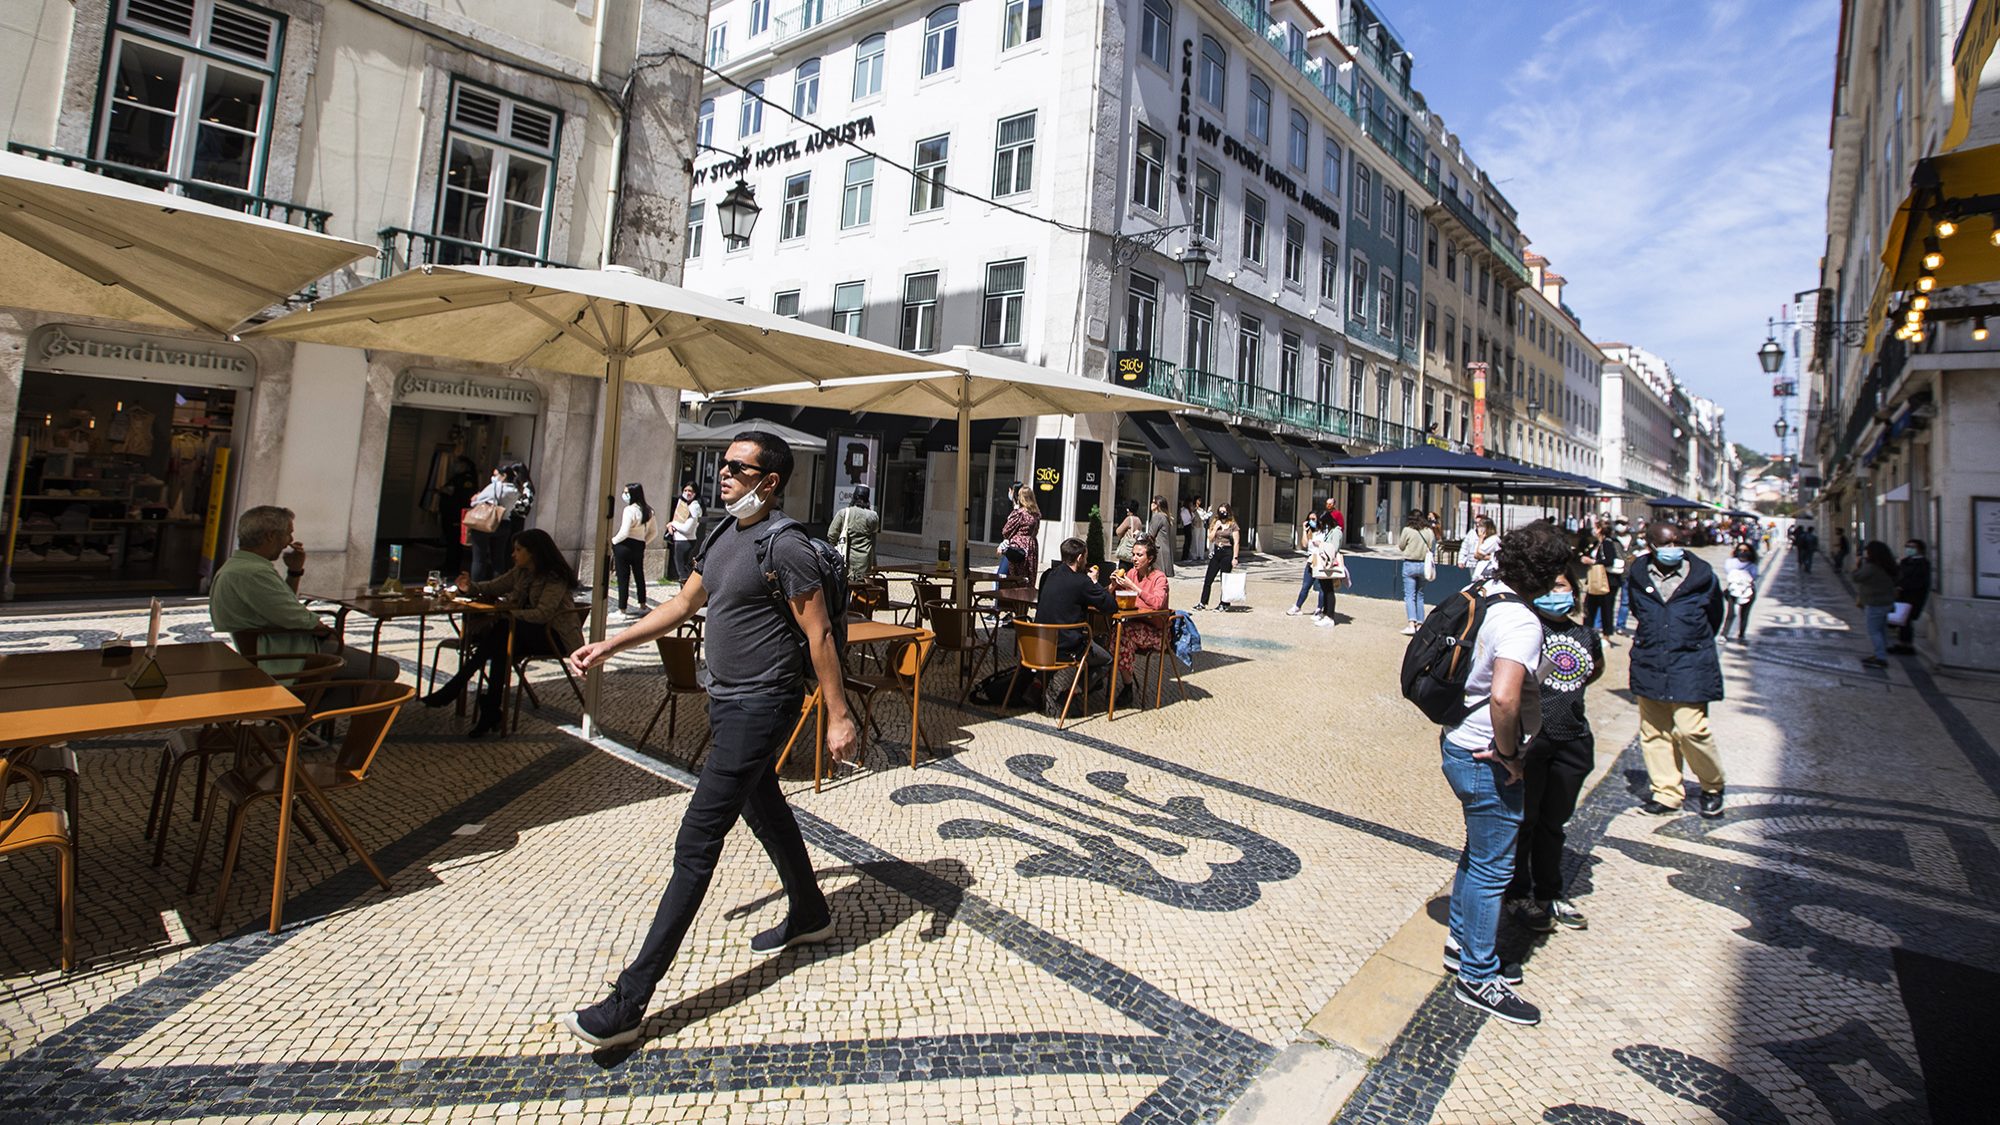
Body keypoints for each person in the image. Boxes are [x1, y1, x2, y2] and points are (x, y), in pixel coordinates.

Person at [561, 432, 853, 1049]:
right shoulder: (722, 536)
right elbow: (682, 604)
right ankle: (811, 913)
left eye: (735, 468)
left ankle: (629, 1001)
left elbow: (819, 636)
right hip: (726, 700)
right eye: (722, 464)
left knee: (696, 842)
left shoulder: (789, 547)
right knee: (763, 805)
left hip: (762, 704)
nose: (721, 474)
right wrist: (612, 644)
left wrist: (838, 714)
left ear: (768, 482)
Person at [1440, 521, 1573, 1027]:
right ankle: (1477, 973)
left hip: (1457, 741)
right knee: (1494, 866)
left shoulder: (1485, 592)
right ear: (1547, 574)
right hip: (1484, 755)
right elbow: (1504, 696)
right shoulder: (1521, 621)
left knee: (1479, 853)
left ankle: (1460, 943)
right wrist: (1511, 752)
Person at [1507, 564, 1602, 935]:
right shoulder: (1527, 629)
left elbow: (1593, 672)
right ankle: (1517, 892)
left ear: (1573, 591)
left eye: (1560, 585)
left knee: (1554, 823)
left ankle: (1550, 891)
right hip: (1533, 740)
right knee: (1524, 822)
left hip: (1572, 737)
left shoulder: (1586, 636)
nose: (1553, 592)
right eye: (1546, 586)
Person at [420, 528, 584, 737]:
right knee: (501, 644)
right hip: (523, 633)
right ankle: (489, 710)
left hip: (554, 637)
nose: (513, 554)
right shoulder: (521, 572)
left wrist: (510, 613)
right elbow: (493, 587)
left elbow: (544, 613)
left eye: (518, 550)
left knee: (502, 631)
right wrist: (468, 587)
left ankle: (458, 690)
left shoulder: (554, 576)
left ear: (533, 552)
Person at [209, 505, 399, 681]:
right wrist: (326, 631)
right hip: (287, 657)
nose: (290, 541)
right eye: (288, 534)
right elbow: (295, 616)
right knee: (388, 670)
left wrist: (294, 571)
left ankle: (315, 710)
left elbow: (282, 605)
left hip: (280, 649)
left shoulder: (241, 566)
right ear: (270, 536)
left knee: (357, 676)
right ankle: (311, 712)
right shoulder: (253, 572)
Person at [1628, 521, 1727, 818]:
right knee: (1654, 731)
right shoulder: (1638, 574)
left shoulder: (1702, 576)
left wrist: (1689, 637)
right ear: (1651, 546)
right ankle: (1667, 792)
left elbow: (1715, 614)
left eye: (1677, 543)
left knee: (1691, 729)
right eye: (1666, 544)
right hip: (1650, 659)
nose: (1673, 549)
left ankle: (1712, 785)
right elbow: (1637, 609)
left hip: (1691, 660)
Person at [1036, 535, 1123, 703]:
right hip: (1065, 647)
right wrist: (1095, 582)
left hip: (1039, 642)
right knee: (1107, 659)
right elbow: (1110, 606)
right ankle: (1073, 693)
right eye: (1086, 557)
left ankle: (1037, 684)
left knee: (1079, 639)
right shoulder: (1082, 582)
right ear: (1080, 557)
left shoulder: (1048, 575)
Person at [1111, 538, 1170, 693]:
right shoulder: (1131, 573)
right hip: (1133, 625)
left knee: (1122, 635)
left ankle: (1127, 686)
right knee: (1112, 635)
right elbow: (1118, 600)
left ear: (1149, 558)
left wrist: (1133, 587)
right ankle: (1107, 679)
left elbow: (1157, 603)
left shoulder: (1159, 578)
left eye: (1139, 555)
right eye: (1133, 554)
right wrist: (1113, 585)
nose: (1134, 558)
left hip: (1157, 632)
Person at [465, 463, 522, 581]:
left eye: (497, 474)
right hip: (504, 523)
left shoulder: (495, 487)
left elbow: (474, 502)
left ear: (504, 475)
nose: (494, 477)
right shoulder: (515, 490)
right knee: (498, 559)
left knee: (479, 558)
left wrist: (476, 497)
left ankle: (476, 586)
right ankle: (496, 587)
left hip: (486, 523)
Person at [611, 483, 655, 620]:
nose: (624, 495)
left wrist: (613, 541)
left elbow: (624, 532)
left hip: (624, 546)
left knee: (623, 578)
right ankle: (643, 605)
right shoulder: (648, 510)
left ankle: (622, 609)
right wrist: (643, 542)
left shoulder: (629, 510)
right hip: (639, 545)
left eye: (626, 492)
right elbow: (654, 532)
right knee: (639, 576)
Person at [1854, 540, 1898, 668]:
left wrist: (1858, 565)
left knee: (1873, 631)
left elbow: (1857, 577)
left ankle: (1880, 658)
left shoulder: (1872, 567)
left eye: (1867, 550)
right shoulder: (1888, 565)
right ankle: (1881, 652)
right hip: (1887, 602)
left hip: (1875, 603)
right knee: (1882, 629)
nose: (1865, 553)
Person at [827, 485, 881, 583]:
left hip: (846, 559)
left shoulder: (843, 513)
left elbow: (831, 534)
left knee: (845, 587)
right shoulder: (873, 516)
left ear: (854, 497)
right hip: (865, 561)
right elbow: (874, 536)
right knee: (862, 590)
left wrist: (836, 547)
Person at [1397, 509, 1438, 635]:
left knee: (1410, 596)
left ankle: (1411, 624)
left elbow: (1401, 546)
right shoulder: (1429, 531)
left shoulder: (1407, 530)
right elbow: (1432, 547)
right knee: (1420, 596)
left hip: (1410, 563)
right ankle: (1420, 624)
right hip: (1423, 565)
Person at [438, 455, 479, 578]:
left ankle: (453, 566)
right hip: (449, 513)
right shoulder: (457, 478)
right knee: (450, 539)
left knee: (454, 540)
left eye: (458, 464)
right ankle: (448, 564)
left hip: (456, 514)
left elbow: (461, 494)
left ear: (464, 466)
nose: (455, 466)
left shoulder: (467, 479)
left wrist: (444, 490)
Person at [1891, 538, 1931, 654]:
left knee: (1906, 620)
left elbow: (1919, 581)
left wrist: (1902, 587)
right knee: (1901, 621)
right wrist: (1897, 586)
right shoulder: (1905, 561)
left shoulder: (1923, 564)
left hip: (1913, 596)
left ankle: (1907, 645)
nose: (1909, 549)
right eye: (1908, 546)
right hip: (1901, 595)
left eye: (1912, 547)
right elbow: (1898, 575)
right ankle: (1902, 643)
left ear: (1920, 549)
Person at [1196, 504, 1240, 610]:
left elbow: (1236, 542)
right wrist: (1215, 528)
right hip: (1216, 552)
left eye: (1224, 512)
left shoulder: (1233, 525)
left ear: (1228, 512)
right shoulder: (1216, 523)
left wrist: (1235, 557)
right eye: (1220, 511)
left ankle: (1224, 603)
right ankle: (1203, 602)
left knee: (1225, 579)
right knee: (1208, 578)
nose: (1222, 514)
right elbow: (1210, 538)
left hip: (1227, 553)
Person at [1306, 515, 1344, 627]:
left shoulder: (1336, 532)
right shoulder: (1332, 531)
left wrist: (1320, 544)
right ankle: (1326, 613)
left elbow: (1334, 548)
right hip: (1326, 563)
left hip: (1329, 564)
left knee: (1329, 591)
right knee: (1325, 589)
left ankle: (1330, 616)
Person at [1591, 519, 1624, 639]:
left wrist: (1593, 562)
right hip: (1596, 579)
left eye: (1596, 527)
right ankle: (1589, 631)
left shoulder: (1607, 543)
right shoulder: (1598, 543)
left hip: (1608, 580)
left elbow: (1609, 560)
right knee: (1591, 606)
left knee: (1606, 607)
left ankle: (1606, 635)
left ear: (1600, 529)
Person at [1720, 543, 1759, 643]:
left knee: (1744, 614)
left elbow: (1754, 576)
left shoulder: (1753, 565)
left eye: (1745, 551)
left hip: (1748, 591)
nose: (1742, 553)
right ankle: (1724, 634)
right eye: (1740, 550)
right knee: (1731, 613)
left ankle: (1741, 634)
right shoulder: (1730, 562)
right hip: (1733, 590)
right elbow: (1728, 571)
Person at [998, 487, 1040, 578]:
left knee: (1013, 576)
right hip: (1032, 546)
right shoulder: (1036, 514)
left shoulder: (1019, 513)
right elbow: (1036, 531)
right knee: (1028, 574)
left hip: (1018, 547)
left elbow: (1006, 530)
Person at [1287, 512, 1323, 617]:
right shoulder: (1310, 532)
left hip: (1321, 560)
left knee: (1322, 587)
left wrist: (1320, 544)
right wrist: (1304, 530)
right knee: (1305, 586)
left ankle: (1320, 609)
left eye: (1314, 519)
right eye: (1310, 519)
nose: (1312, 521)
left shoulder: (1323, 532)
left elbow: (1328, 545)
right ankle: (1297, 607)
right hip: (1311, 560)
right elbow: (1304, 544)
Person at [668, 483, 704, 584]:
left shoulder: (694, 507)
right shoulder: (685, 505)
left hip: (684, 541)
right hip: (681, 540)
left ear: (695, 493)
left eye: (690, 491)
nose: (687, 493)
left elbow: (687, 528)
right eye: (685, 490)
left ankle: (686, 594)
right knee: (683, 570)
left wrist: (673, 524)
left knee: (683, 571)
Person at [1610, 518, 1639, 633]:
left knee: (1625, 601)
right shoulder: (1612, 539)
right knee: (1609, 599)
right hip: (1614, 572)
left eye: (1623, 523)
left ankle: (1620, 625)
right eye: (1618, 523)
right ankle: (1602, 624)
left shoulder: (1635, 540)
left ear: (1628, 525)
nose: (1620, 526)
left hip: (1630, 573)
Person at [1462, 516, 1500, 583]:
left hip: (1489, 574)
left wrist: (1480, 538)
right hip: (1481, 572)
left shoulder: (1493, 539)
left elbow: (1478, 553)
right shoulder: (1482, 538)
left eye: (1480, 526)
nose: (1478, 528)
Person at [1146, 496, 1175, 579]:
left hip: (1159, 551)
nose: (1151, 504)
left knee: (1156, 577)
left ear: (1157, 505)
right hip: (1164, 550)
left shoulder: (1158, 516)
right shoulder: (1165, 516)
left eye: (1153, 502)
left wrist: (1138, 534)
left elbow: (1151, 534)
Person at [1112, 500, 1145, 566]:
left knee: (1123, 569)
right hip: (1133, 550)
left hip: (1126, 551)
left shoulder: (1129, 519)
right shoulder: (1139, 520)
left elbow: (1118, 531)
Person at [1192, 496, 1213, 562]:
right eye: (1198, 500)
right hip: (1196, 525)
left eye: (1200, 500)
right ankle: (1195, 555)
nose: (1199, 502)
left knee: (1201, 540)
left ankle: (1201, 555)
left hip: (1202, 525)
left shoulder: (1202, 509)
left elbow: (1205, 516)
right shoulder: (1194, 508)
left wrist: (1208, 511)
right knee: (1195, 540)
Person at [1178, 498, 1198, 562]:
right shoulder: (1184, 510)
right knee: (1187, 542)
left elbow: (1192, 516)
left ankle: (1186, 556)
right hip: (1187, 526)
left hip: (1189, 526)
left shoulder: (1188, 510)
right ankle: (1184, 557)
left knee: (1189, 542)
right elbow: (1187, 519)